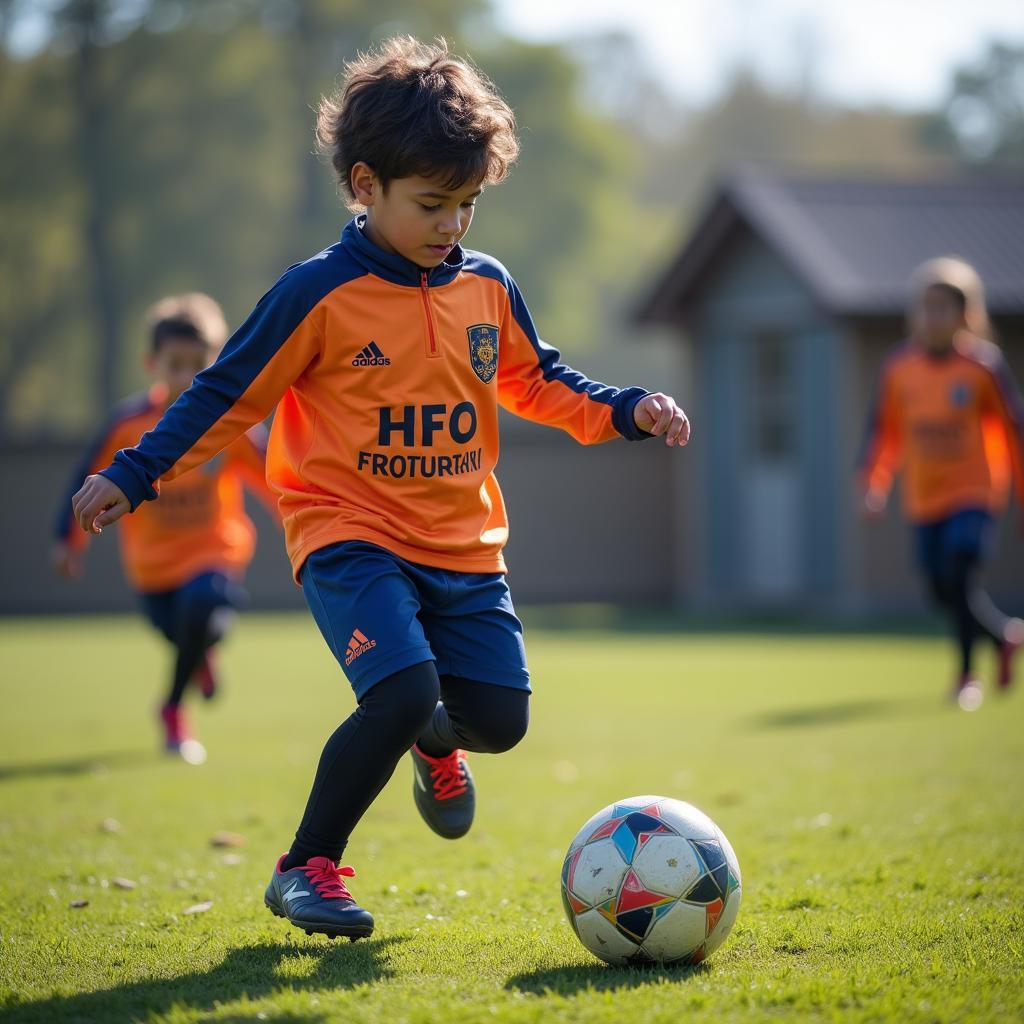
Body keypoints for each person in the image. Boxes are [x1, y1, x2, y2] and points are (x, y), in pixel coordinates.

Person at [69, 37, 690, 939]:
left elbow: (538, 382)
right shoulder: (317, 292)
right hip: (346, 533)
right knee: (398, 691)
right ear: (365, 185)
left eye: (468, 205)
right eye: (432, 204)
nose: (453, 226)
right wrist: (134, 471)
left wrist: (628, 409)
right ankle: (304, 869)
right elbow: (224, 392)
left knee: (499, 720)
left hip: (466, 546)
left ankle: (437, 739)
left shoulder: (487, 286)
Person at [54, 293, 279, 763]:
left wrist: (309, 532)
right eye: (175, 364)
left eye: (199, 365)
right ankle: (199, 658)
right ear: (152, 363)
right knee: (189, 632)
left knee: (206, 604)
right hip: (153, 571)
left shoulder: (229, 424)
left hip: (214, 555)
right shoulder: (128, 426)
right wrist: (68, 542)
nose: (186, 377)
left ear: (217, 363)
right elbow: (86, 479)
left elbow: (276, 481)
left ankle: (173, 711)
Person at [860, 256, 1024, 709]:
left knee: (959, 571)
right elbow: (884, 432)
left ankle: (967, 677)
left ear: (965, 315)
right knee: (940, 590)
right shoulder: (899, 369)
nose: (931, 317)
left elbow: (1014, 432)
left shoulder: (983, 368)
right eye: (925, 307)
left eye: (942, 308)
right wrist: (874, 484)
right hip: (923, 496)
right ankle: (1004, 636)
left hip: (975, 491)